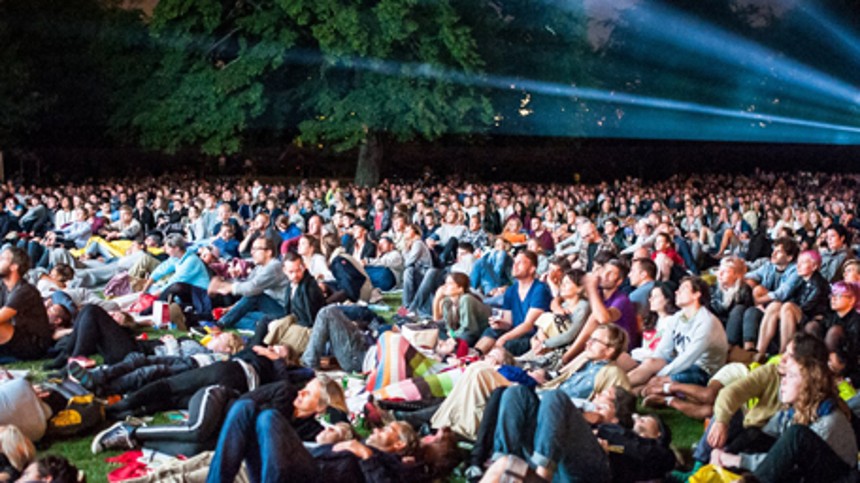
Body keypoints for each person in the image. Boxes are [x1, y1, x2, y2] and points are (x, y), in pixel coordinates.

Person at [711, 337, 857, 482]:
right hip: (801, 469)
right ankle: (711, 461)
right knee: (751, 433)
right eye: (785, 375)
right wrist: (726, 454)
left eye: (791, 376)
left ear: (809, 383)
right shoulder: (796, 406)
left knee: (795, 435)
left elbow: (788, 464)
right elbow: (768, 437)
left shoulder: (828, 422)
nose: (784, 381)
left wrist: (738, 460)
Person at [628, 277, 728, 390]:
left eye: (683, 289)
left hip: (704, 371)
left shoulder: (706, 322)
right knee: (650, 363)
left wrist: (659, 374)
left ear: (696, 294)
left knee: (659, 381)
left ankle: (627, 391)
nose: (677, 292)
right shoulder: (677, 318)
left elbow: (688, 358)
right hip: (682, 364)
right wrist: (653, 367)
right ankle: (617, 384)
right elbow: (662, 351)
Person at [475, 251, 552, 356]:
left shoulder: (540, 289)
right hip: (516, 332)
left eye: (520, 263)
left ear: (532, 269)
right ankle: (474, 356)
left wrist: (504, 338)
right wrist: (500, 324)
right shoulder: (511, 290)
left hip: (532, 337)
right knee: (491, 331)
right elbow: (509, 321)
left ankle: (487, 360)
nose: (515, 266)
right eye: (515, 262)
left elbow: (529, 325)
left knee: (506, 344)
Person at [561, 258, 638, 364]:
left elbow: (603, 319)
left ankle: (566, 357)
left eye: (611, 274)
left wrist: (591, 288)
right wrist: (556, 305)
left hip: (618, 349)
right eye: (604, 271)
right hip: (598, 343)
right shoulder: (599, 293)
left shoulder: (622, 300)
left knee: (594, 317)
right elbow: (568, 293)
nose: (605, 276)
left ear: (619, 281)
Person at [210, 237, 288, 330]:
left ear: (268, 252)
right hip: (269, 308)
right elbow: (247, 285)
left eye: (256, 249)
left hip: (282, 311)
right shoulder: (259, 267)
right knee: (240, 315)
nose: (252, 252)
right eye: (252, 249)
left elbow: (252, 288)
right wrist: (230, 308)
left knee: (255, 296)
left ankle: (219, 325)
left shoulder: (274, 266)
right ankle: (259, 325)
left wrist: (227, 287)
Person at [0, 247, 52, 361]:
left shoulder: (25, 290)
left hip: (34, 344)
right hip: (15, 337)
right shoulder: (3, 287)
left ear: (14, 266)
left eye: (2, 258)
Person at [432, 272, 490, 346]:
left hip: (476, 333)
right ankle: (446, 344)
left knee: (463, 338)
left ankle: (449, 345)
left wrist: (453, 334)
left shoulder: (466, 299)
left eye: (450, 283)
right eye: (445, 283)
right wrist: (437, 298)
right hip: (460, 331)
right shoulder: (447, 301)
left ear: (460, 289)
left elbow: (470, 328)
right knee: (432, 326)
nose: (445, 286)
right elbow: (446, 325)